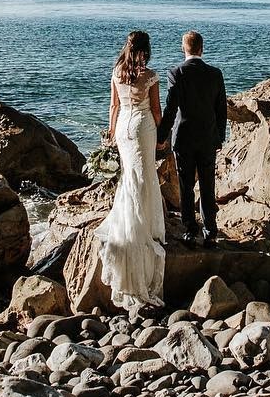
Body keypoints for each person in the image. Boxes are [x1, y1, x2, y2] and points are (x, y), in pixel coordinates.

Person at [94, 29, 166, 314]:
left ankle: (130, 224)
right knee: (144, 175)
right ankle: (144, 228)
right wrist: (162, 136)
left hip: (123, 125)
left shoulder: (116, 73)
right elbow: (157, 110)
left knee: (129, 177)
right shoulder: (150, 76)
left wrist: (111, 134)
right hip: (142, 126)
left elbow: (113, 106)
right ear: (146, 49)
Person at [156, 30, 226, 247]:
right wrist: (219, 138)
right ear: (201, 49)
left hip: (183, 138)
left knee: (186, 185)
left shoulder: (176, 73)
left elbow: (170, 109)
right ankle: (210, 231)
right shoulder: (215, 74)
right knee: (207, 185)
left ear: (183, 48)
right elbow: (221, 110)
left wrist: (161, 136)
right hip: (207, 138)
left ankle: (189, 229)